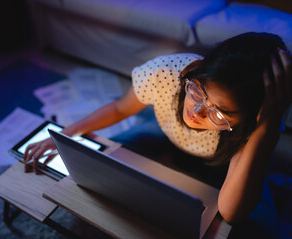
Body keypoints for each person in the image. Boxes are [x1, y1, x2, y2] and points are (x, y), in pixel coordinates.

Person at [24, 32, 291, 238]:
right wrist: (66, 133)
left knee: (258, 229)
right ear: (196, 73)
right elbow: (119, 108)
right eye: (198, 91)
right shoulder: (166, 73)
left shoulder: (259, 122)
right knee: (104, 161)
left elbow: (232, 209)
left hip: (220, 159)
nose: (197, 112)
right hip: (168, 134)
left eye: (219, 114)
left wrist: (265, 128)